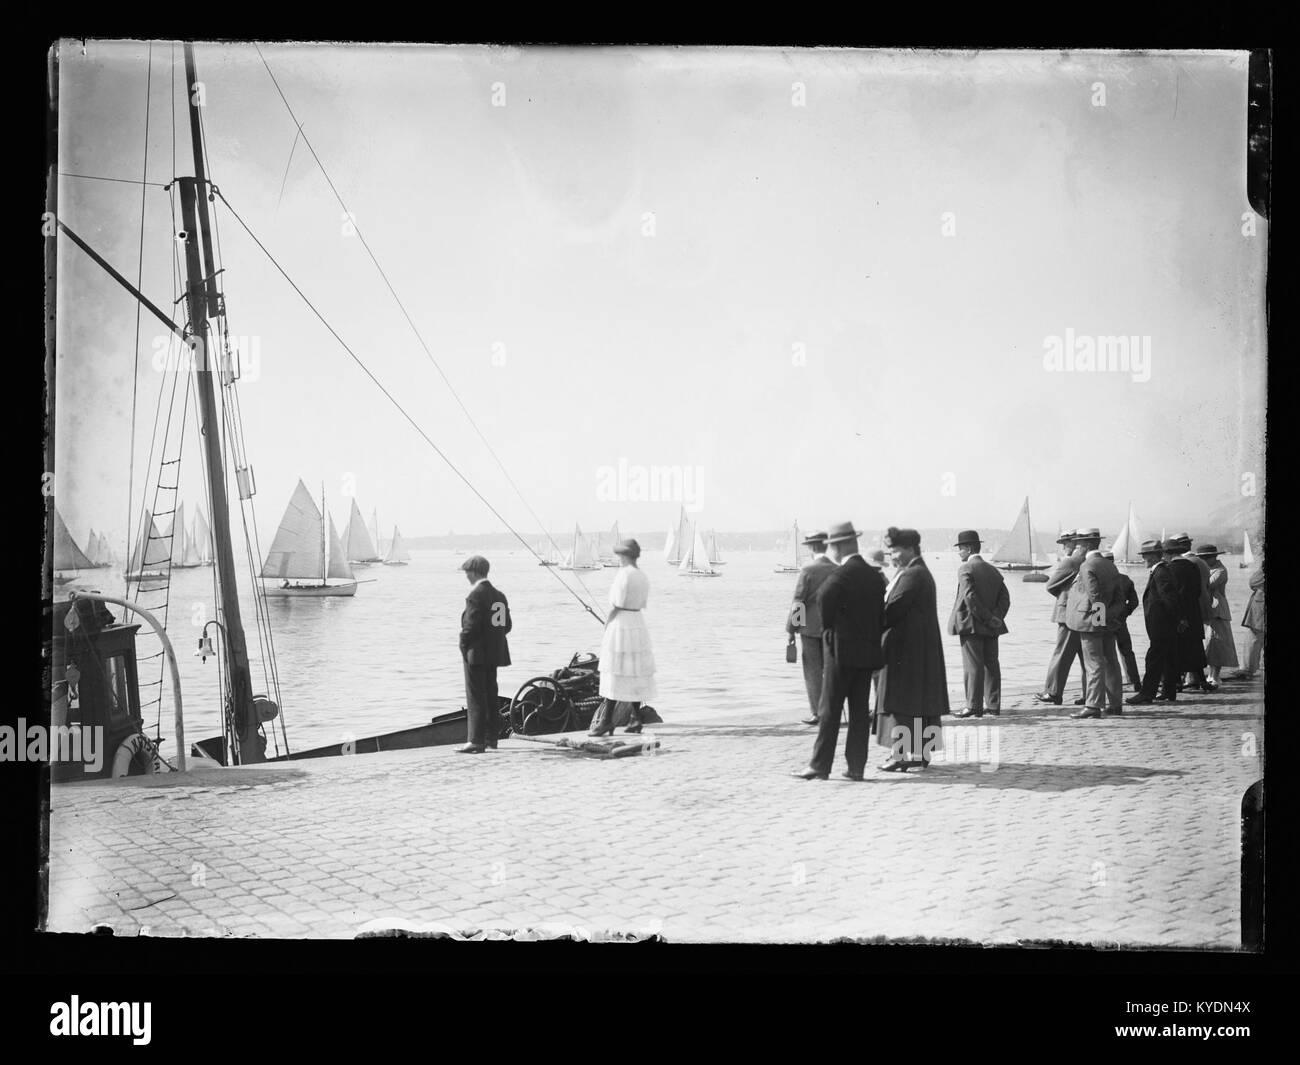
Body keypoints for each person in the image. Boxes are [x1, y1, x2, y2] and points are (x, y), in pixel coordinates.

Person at [790, 521, 885, 781]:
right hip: (864, 651)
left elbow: (801, 601)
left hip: (822, 637)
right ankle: (856, 767)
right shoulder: (871, 575)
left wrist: (792, 628)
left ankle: (820, 765)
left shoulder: (812, 570)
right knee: (858, 712)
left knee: (825, 700)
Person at [875, 527, 948, 771]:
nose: (892, 556)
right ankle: (921, 754)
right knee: (921, 703)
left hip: (906, 652)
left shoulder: (911, 575)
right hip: (920, 650)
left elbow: (891, 611)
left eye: (894, 551)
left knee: (901, 702)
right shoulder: (919, 572)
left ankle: (901, 755)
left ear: (908, 549)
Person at [589, 539, 657, 736]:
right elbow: (642, 602)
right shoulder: (642, 576)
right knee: (634, 671)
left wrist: (607, 622)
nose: (618, 558)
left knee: (615, 671)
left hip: (621, 624)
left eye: (620, 555)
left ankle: (607, 721)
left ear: (625, 556)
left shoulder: (623, 575)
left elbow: (616, 604)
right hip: (638, 623)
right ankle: (635, 719)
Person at [947, 530, 1010, 719]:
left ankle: (973, 706)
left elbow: (969, 597)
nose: (959, 552)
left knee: (972, 666)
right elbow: (1005, 599)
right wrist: (995, 618)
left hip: (972, 625)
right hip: (992, 626)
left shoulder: (966, 569)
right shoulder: (993, 570)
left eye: (960, 549)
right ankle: (993, 706)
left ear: (968, 548)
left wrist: (986, 617)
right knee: (991, 664)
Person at [1066, 530, 1127, 718]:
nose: (1076, 548)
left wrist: (1100, 621)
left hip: (1091, 623)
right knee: (1111, 662)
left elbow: (1095, 597)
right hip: (1106, 622)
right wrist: (1110, 618)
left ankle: (1093, 706)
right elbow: (1119, 598)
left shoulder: (1087, 566)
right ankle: (1115, 704)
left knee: (1093, 664)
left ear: (1086, 546)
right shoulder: (1110, 566)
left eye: (1078, 545)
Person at [457, 555, 511, 753]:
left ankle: (475, 740)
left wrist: (463, 647)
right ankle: (491, 739)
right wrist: (493, 640)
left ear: (473, 572)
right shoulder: (499, 596)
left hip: (476, 654)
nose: (466, 577)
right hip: (494, 655)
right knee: (491, 695)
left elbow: (469, 628)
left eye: (466, 573)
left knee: (476, 697)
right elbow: (507, 626)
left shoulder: (475, 595)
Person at [785, 530, 836, 726]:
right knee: (831, 671)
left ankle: (818, 712)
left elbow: (799, 601)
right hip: (833, 628)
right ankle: (833, 710)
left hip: (810, 629)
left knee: (813, 672)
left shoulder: (808, 570)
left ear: (812, 547)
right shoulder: (837, 568)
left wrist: (792, 629)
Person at [1127, 539, 1183, 704]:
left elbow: (1169, 599)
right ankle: (1168, 691)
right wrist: (1179, 619)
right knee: (1169, 657)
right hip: (1166, 622)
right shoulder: (1163, 570)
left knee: (1154, 658)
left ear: (1152, 557)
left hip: (1162, 624)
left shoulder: (1160, 572)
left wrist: (1177, 619)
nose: (1144, 559)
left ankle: (1147, 693)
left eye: (1145, 556)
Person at [1034, 529, 1083, 705]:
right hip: (1086, 615)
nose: (1063, 547)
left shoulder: (1070, 561)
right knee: (1088, 656)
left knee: (1061, 654)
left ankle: (1053, 692)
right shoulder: (1087, 559)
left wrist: (1065, 596)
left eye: (1064, 543)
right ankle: (1089, 694)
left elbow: (1051, 585)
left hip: (1067, 615)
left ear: (1073, 542)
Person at [1163, 534, 1212, 693]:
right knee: (1195, 648)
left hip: (1179, 615)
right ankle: (1202, 681)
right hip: (1193, 611)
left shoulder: (1170, 569)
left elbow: (1173, 595)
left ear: (1168, 554)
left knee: (1176, 648)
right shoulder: (1192, 566)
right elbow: (1198, 590)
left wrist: (1178, 616)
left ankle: (1177, 682)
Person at [1194, 544, 1238, 686]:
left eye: (1207, 558)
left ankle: (1215, 676)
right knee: (1210, 643)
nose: (1204, 560)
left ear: (1214, 557)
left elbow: (1208, 585)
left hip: (1218, 610)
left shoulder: (1220, 571)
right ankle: (1211, 675)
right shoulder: (1209, 569)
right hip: (1209, 609)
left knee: (1218, 643)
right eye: (1202, 558)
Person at [1102, 550, 1143, 691]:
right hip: (1120, 622)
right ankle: (1135, 682)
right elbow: (1134, 602)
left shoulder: (1100, 580)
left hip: (1103, 623)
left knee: (1104, 654)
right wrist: (1123, 615)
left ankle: (1108, 684)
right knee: (1127, 652)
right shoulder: (1125, 579)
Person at [1229, 564, 1265, 680]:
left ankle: (1248, 669)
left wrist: (1262, 568)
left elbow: (1253, 582)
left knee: (1254, 639)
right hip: (1260, 610)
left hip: (1260, 611)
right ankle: (1249, 668)